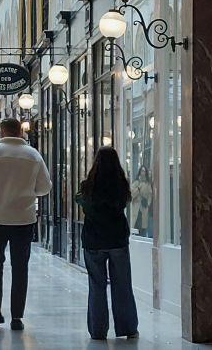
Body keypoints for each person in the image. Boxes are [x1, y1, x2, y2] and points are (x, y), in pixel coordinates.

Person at [0, 117, 51, 331]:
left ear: (1, 132)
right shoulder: (33, 155)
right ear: (20, 132)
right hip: (24, 219)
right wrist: (28, 193)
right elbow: (45, 186)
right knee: (20, 267)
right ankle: (17, 316)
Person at [75, 146, 139, 340]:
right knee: (122, 284)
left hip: (93, 241)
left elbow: (80, 200)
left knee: (97, 286)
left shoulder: (87, 186)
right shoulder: (121, 185)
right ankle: (128, 328)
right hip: (117, 239)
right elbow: (124, 202)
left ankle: (98, 330)